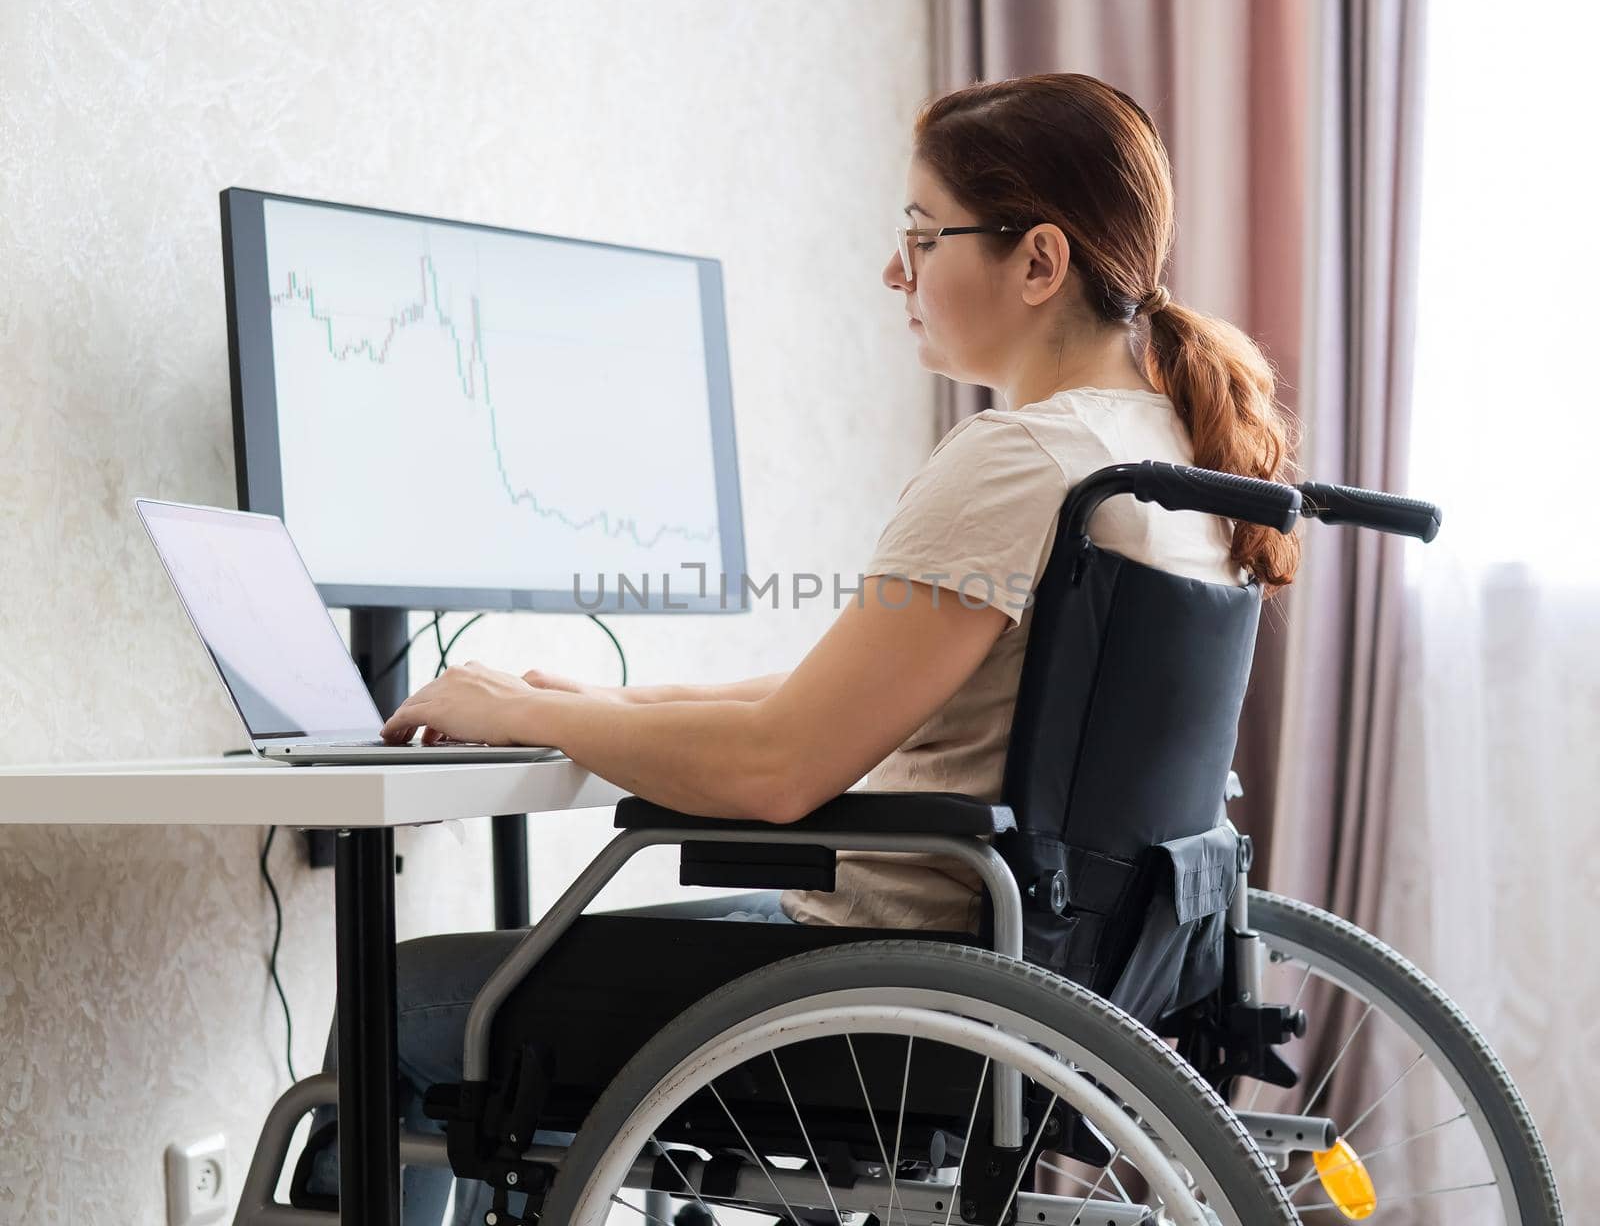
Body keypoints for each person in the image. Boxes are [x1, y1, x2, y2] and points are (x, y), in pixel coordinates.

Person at [297, 70, 1301, 1222]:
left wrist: (530, 719)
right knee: (518, 974)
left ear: (1038, 261)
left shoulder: (1021, 459)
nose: (894, 271)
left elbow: (779, 769)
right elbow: (885, 692)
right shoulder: (1170, 457)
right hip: (1035, 971)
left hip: (893, 985)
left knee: (401, 1002)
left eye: (923, 236)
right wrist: (595, 701)